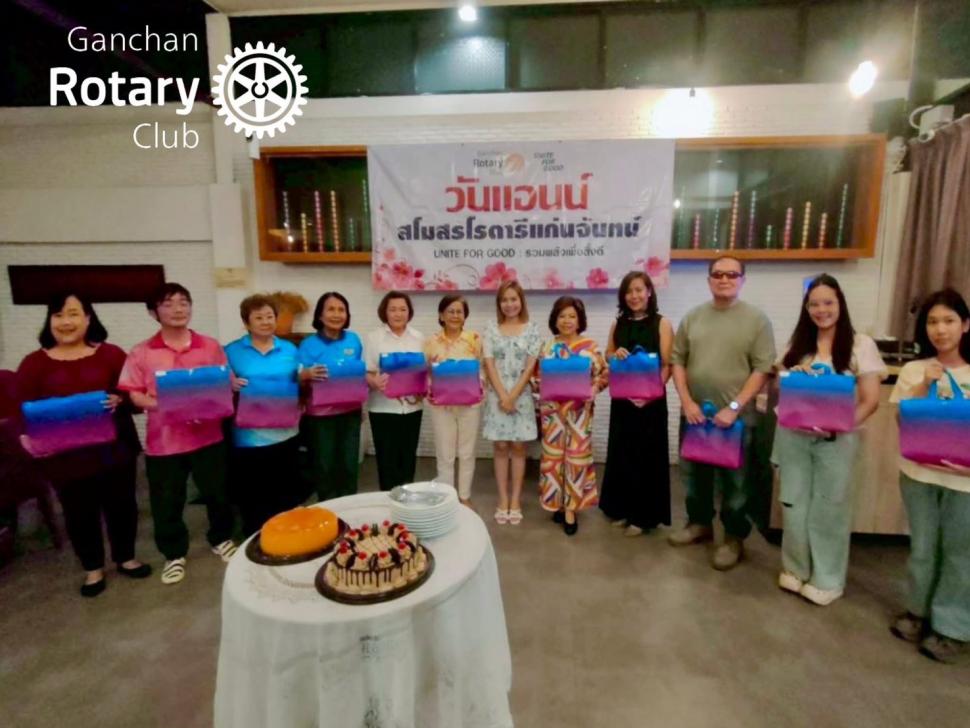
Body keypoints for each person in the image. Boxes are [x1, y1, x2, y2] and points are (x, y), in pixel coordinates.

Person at [16, 293, 150, 597]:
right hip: (66, 458)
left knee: (122, 506)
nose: (66, 322)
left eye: (74, 314)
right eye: (59, 315)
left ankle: (126, 557)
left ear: (88, 319)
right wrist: (28, 438)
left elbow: (134, 396)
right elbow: (22, 410)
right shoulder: (34, 364)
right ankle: (93, 567)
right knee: (78, 512)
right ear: (50, 320)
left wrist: (120, 399)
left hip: (115, 450)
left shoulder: (111, 355)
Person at [773, 274, 885, 605]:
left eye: (828, 303)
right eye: (814, 304)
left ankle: (828, 578)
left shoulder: (860, 345)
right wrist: (792, 378)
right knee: (793, 503)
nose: (821, 310)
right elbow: (780, 387)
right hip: (794, 437)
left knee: (829, 506)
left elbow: (870, 401)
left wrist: (838, 425)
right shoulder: (797, 345)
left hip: (837, 441)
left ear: (840, 304)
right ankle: (795, 568)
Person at [118, 283, 236, 585]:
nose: (178, 309)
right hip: (164, 443)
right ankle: (174, 553)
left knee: (218, 493)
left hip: (209, 437)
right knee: (167, 501)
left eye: (184, 302)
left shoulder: (210, 346)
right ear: (153, 312)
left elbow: (224, 382)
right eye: (168, 304)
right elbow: (134, 394)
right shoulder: (142, 352)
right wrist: (170, 405)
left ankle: (221, 538)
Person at [669, 255, 776, 570]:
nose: (724, 279)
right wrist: (687, 402)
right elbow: (677, 361)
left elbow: (762, 369)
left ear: (742, 280)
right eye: (718, 274)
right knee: (693, 477)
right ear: (709, 280)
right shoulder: (693, 318)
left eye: (731, 274)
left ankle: (733, 537)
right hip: (695, 416)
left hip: (736, 420)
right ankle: (699, 524)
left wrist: (734, 407)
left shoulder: (756, 320)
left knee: (736, 484)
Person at [889, 288, 970, 664]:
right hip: (919, 474)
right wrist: (924, 384)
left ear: (965, 325)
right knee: (922, 548)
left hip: (965, 482)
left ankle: (952, 627)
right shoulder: (914, 369)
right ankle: (917, 611)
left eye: (949, 321)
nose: (941, 330)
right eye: (933, 322)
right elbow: (902, 419)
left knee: (960, 553)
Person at [600, 271, 673, 536]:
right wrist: (614, 355)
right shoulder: (618, 323)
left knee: (647, 458)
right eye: (629, 291)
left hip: (651, 403)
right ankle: (622, 509)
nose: (634, 296)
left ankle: (644, 518)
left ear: (649, 292)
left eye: (639, 290)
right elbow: (608, 354)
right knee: (623, 454)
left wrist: (652, 393)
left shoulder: (662, 323)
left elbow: (668, 364)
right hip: (623, 401)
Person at [225, 294, 303, 536]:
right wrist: (229, 383)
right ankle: (256, 535)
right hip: (250, 436)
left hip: (287, 430)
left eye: (270, 316)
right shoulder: (231, 351)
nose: (266, 322)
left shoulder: (289, 348)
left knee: (286, 486)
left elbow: (299, 379)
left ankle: (287, 533)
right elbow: (216, 384)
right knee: (254, 490)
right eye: (259, 317)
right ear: (246, 323)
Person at [536, 296, 607, 536]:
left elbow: (603, 375)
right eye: (562, 316)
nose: (567, 321)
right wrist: (541, 389)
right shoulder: (547, 347)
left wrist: (594, 389)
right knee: (553, 459)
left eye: (572, 316)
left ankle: (571, 509)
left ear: (579, 320)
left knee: (576, 459)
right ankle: (556, 503)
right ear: (555, 319)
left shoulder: (590, 347)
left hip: (580, 412)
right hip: (552, 413)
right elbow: (536, 378)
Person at [482, 281, 541, 525]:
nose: (509, 304)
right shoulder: (491, 328)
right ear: (499, 303)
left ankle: (516, 499)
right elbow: (489, 364)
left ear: (521, 301)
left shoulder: (532, 329)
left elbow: (530, 366)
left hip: (521, 396)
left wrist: (513, 395)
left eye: (513, 299)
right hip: (496, 396)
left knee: (518, 447)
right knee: (500, 446)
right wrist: (502, 395)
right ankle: (503, 498)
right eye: (504, 300)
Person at [298, 291, 365, 501]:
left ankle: (350, 507)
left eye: (341, 310)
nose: (336, 314)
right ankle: (327, 509)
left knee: (349, 464)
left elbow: (359, 375)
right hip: (320, 416)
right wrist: (306, 374)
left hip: (350, 413)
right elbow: (297, 378)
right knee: (324, 465)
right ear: (320, 315)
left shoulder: (353, 340)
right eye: (331, 309)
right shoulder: (308, 344)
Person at [425, 294, 483, 506]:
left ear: (465, 316)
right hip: (441, 405)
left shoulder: (474, 339)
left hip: (470, 405)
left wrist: (481, 386)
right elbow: (425, 372)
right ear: (441, 315)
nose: (455, 315)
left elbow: (482, 369)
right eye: (450, 311)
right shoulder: (431, 342)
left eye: (459, 312)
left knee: (467, 452)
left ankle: (464, 496)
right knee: (445, 453)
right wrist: (429, 378)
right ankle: (447, 497)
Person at [365, 291, 425, 490]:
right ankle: (387, 500)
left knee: (408, 458)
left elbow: (423, 371)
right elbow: (366, 371)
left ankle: (407, 499)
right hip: (383, 409)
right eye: (393, 309)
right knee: (386, 461)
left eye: (402, 309)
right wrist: (373, 381)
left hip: (412, 409)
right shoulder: (374, 338)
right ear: (385, 312)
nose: (398, 314)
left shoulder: (419, 338)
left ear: (409, 312)